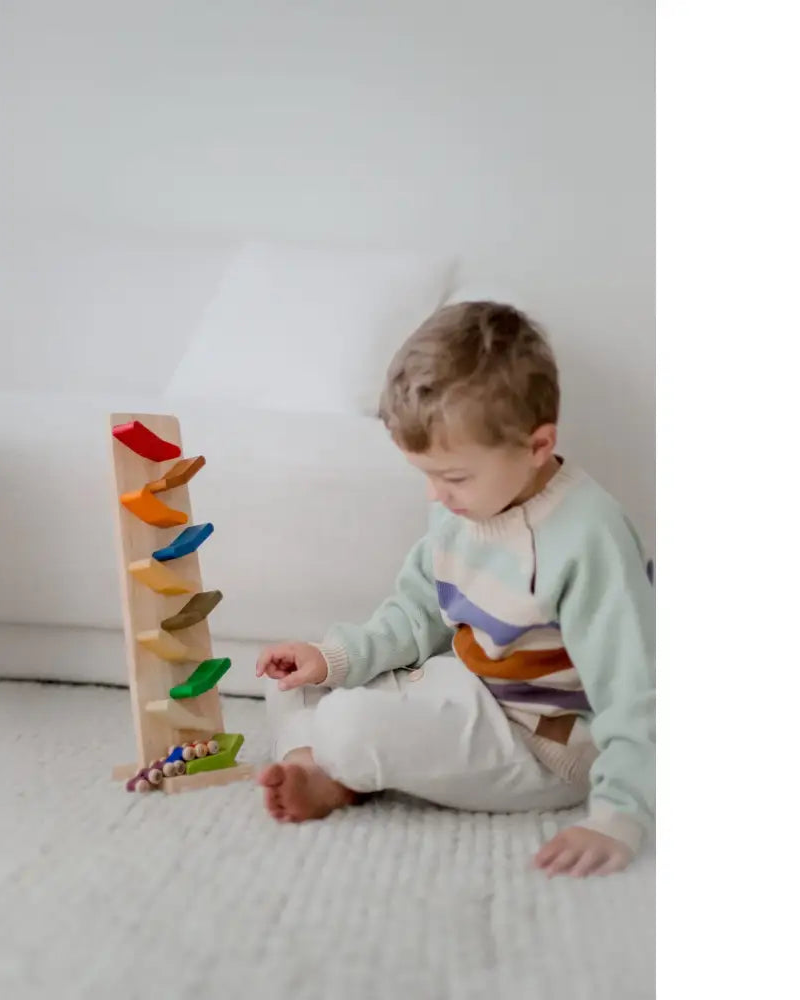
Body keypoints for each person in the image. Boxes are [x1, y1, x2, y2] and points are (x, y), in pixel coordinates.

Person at [256, 301, 655, 878]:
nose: (435, 497)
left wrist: (620, 815)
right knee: (291, 678)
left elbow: (632, 689)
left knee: (346, 724)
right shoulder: (462, 508)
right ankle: (317, 768)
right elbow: (418, 612)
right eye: (426, 475)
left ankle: (330, 760)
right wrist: (334, 659)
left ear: (538, 447)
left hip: (542, 741)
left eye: (454, 477)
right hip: (468, 684)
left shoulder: (588, 536)